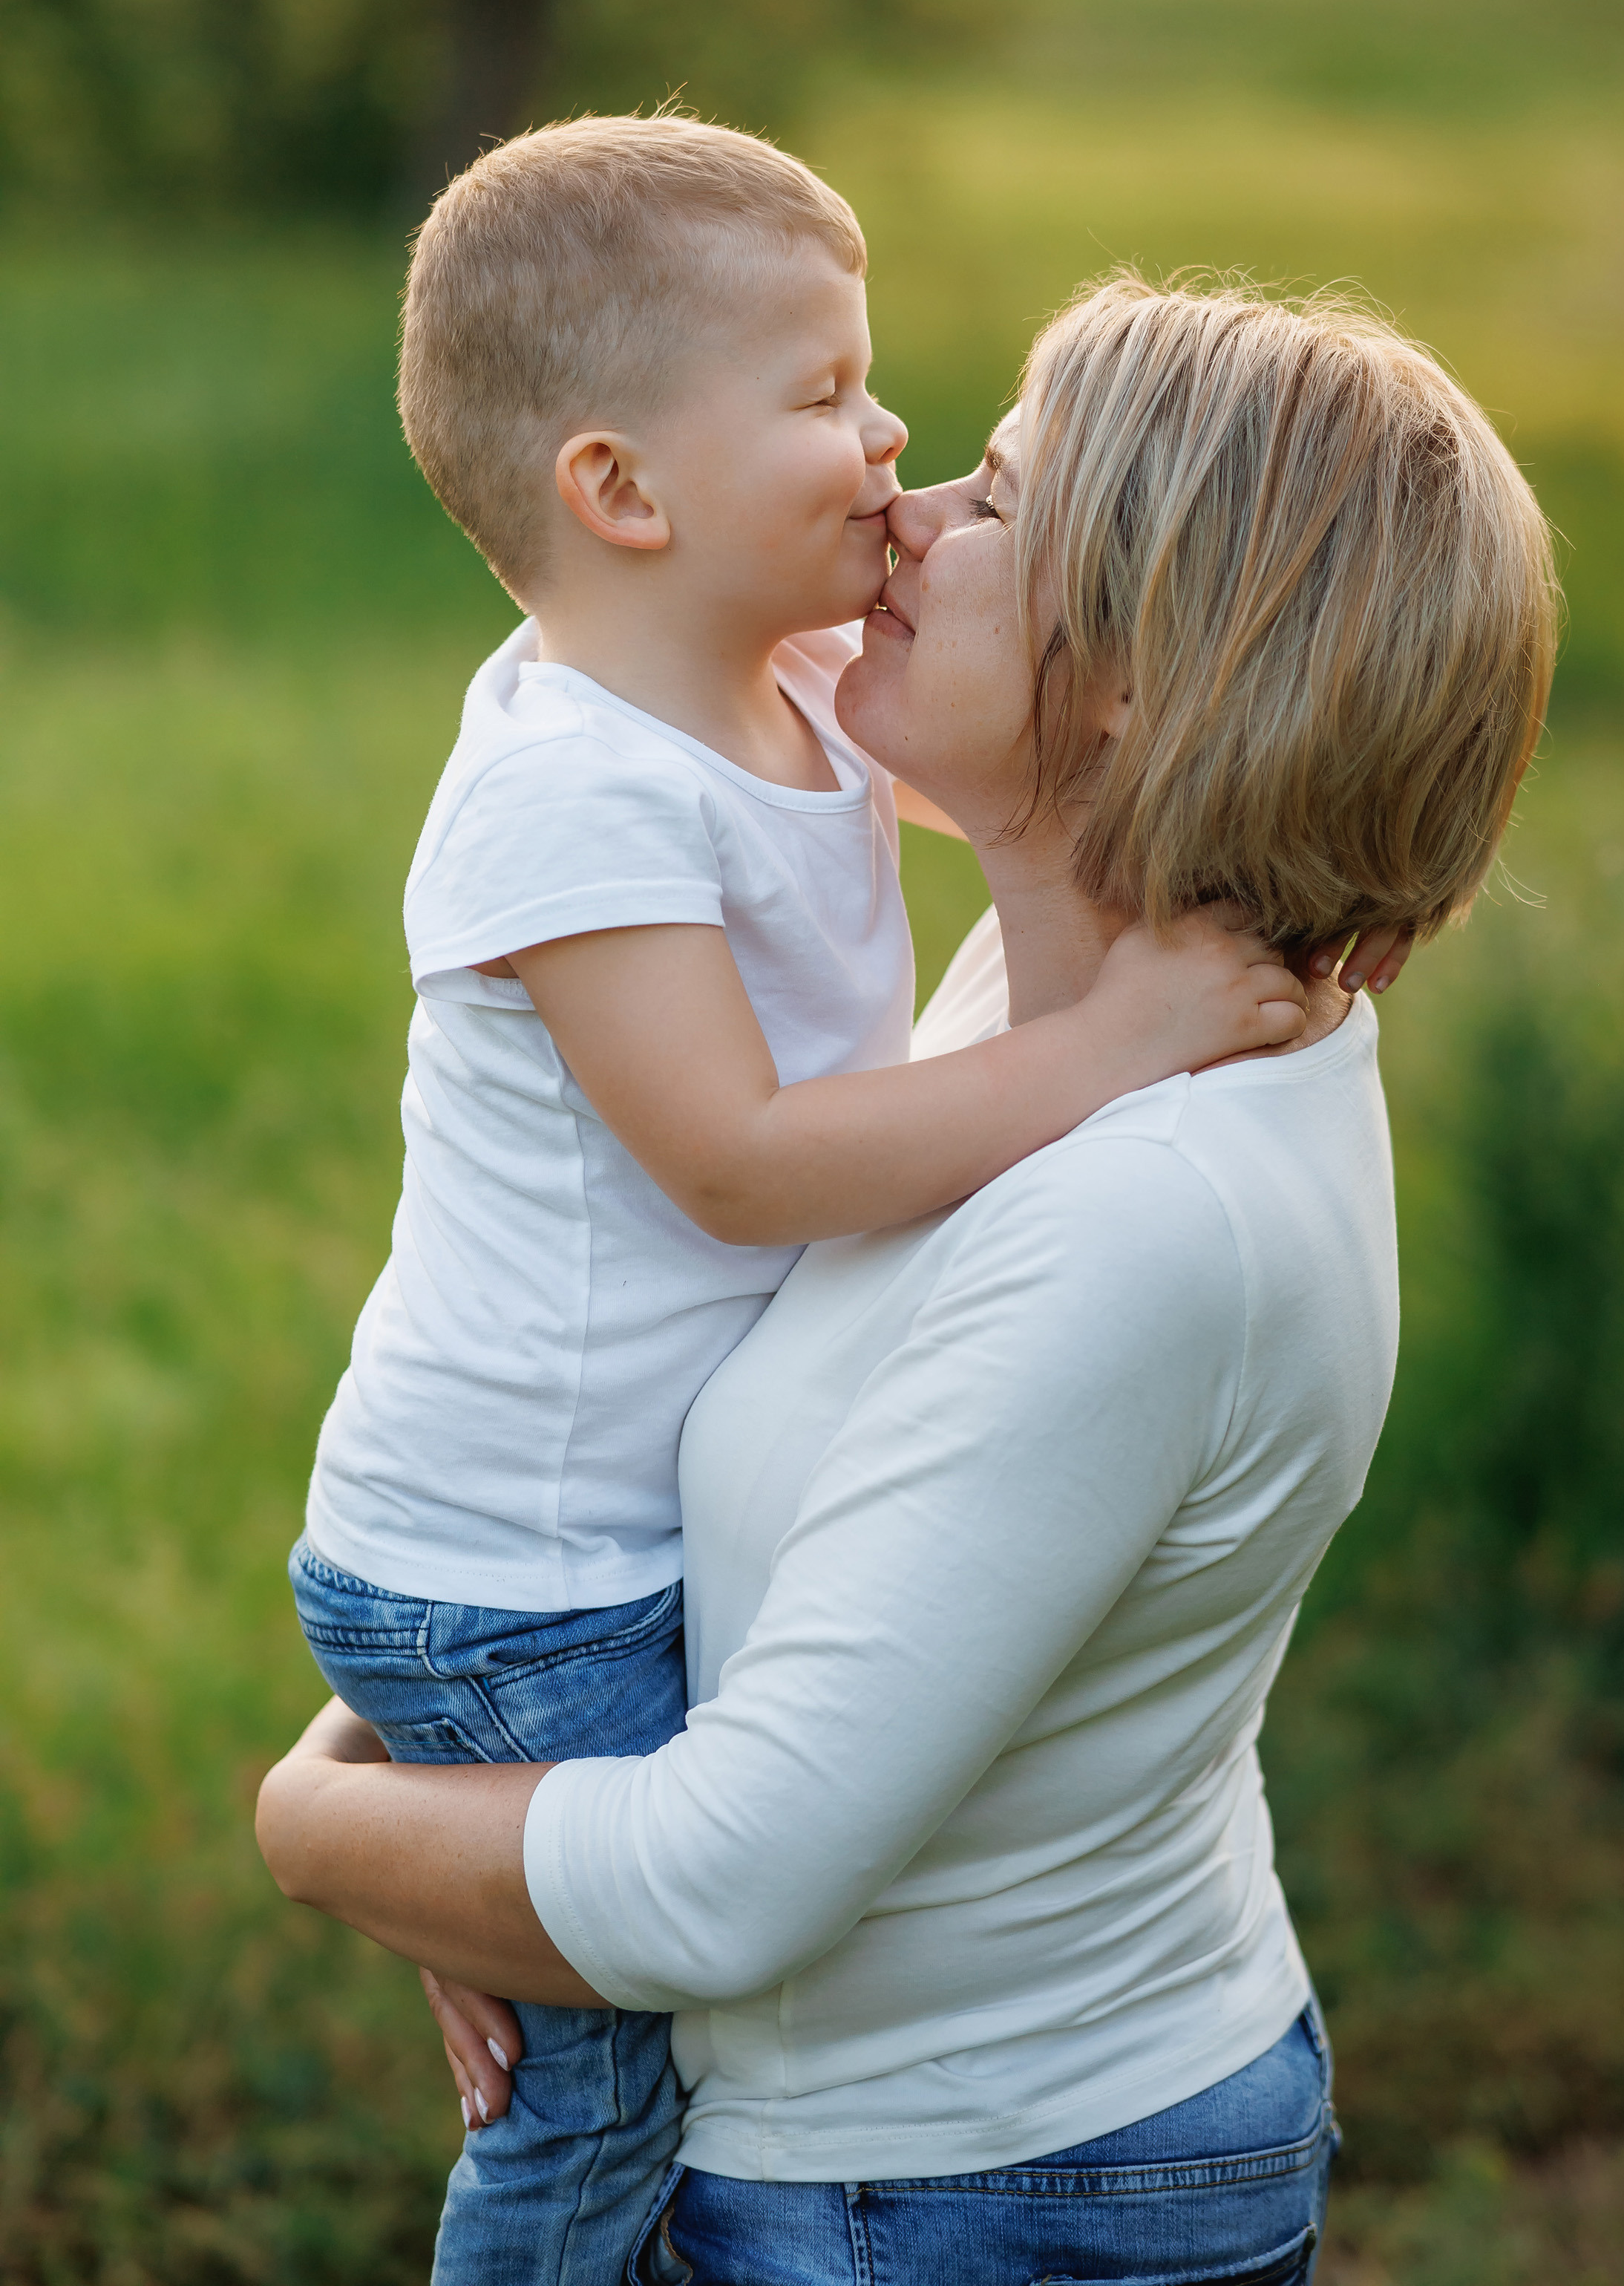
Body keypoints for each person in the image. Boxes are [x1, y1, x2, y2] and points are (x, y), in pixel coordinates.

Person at [260, 275, 1554, 2285]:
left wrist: (326, 1823)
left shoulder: (1150, 1196)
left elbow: (718, 1888)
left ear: (1133, 672)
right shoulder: (1076, 990)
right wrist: (487, 1844)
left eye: (993, 496)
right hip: (964, 2143)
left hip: (955, 2201)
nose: (905, 510)